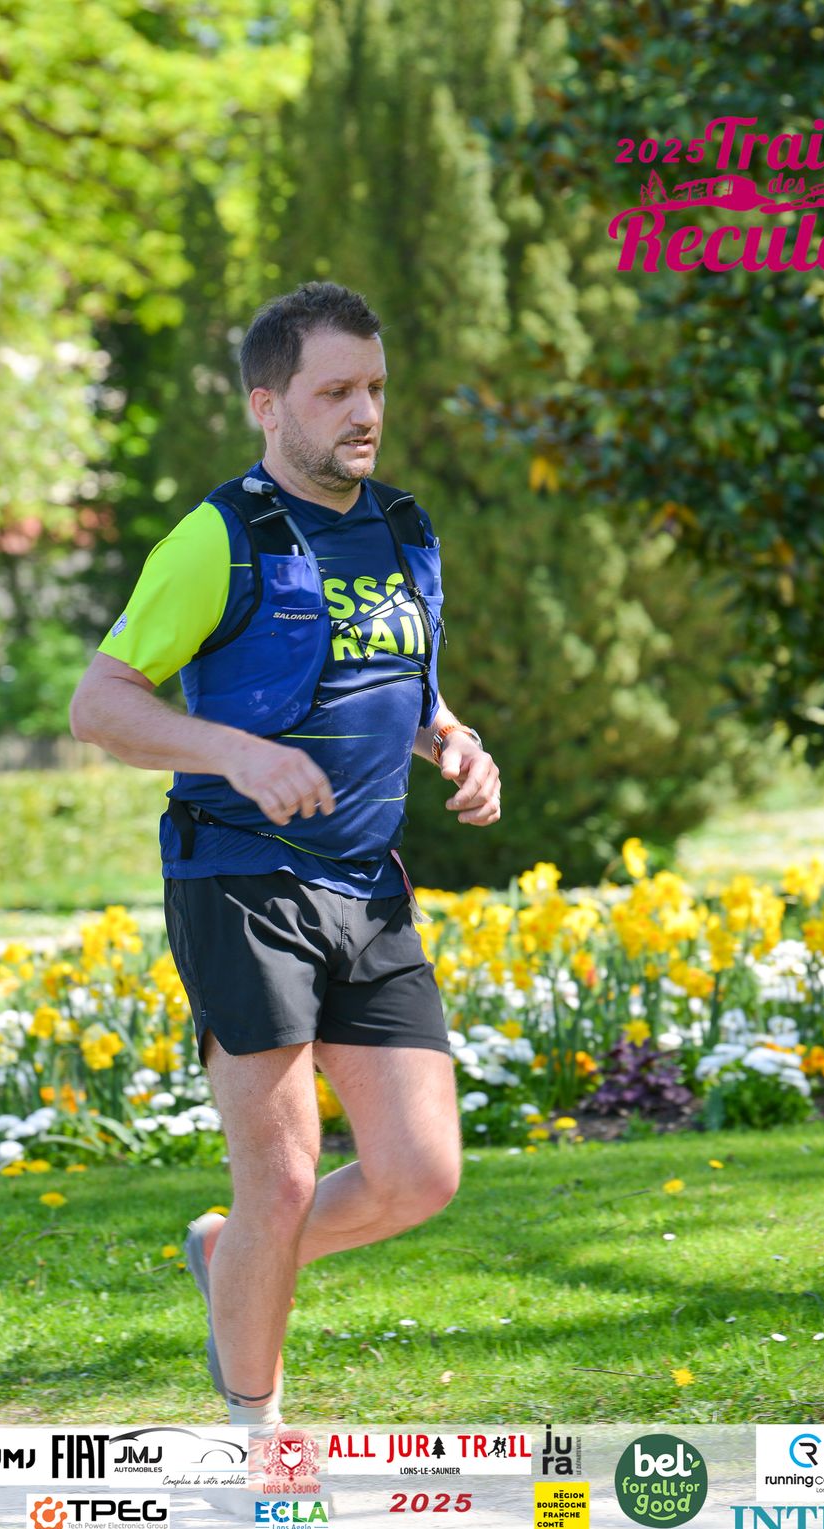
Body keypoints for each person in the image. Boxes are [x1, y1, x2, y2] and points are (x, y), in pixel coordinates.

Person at [69, 281, 501, 1455]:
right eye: (334, 392)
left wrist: (454, 742)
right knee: (281, 1177)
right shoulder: (216, 538)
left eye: (375, 388)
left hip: (367, 884)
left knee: (418, 1174)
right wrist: (235, 752)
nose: (364, 413)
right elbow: (99, 704)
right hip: (240, 881)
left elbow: (404, 689)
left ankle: (229, 1257)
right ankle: (254, 1439)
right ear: (268, 404)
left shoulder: (404, 528)